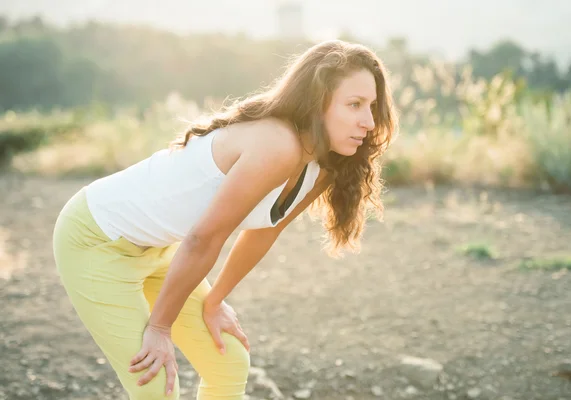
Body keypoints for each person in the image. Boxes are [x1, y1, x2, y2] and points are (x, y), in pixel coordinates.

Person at [52, 39, 397, 399]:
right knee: (153, 383)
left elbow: (265, 231)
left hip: (158, 250)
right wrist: (159, 327)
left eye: (371, 106)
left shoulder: (320, 165)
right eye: (354, 105)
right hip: (95, 238)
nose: (369, 122)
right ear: (317, 101)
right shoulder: (276, 144)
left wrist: (215, 300)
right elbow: (204, 238)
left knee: (228, 361)